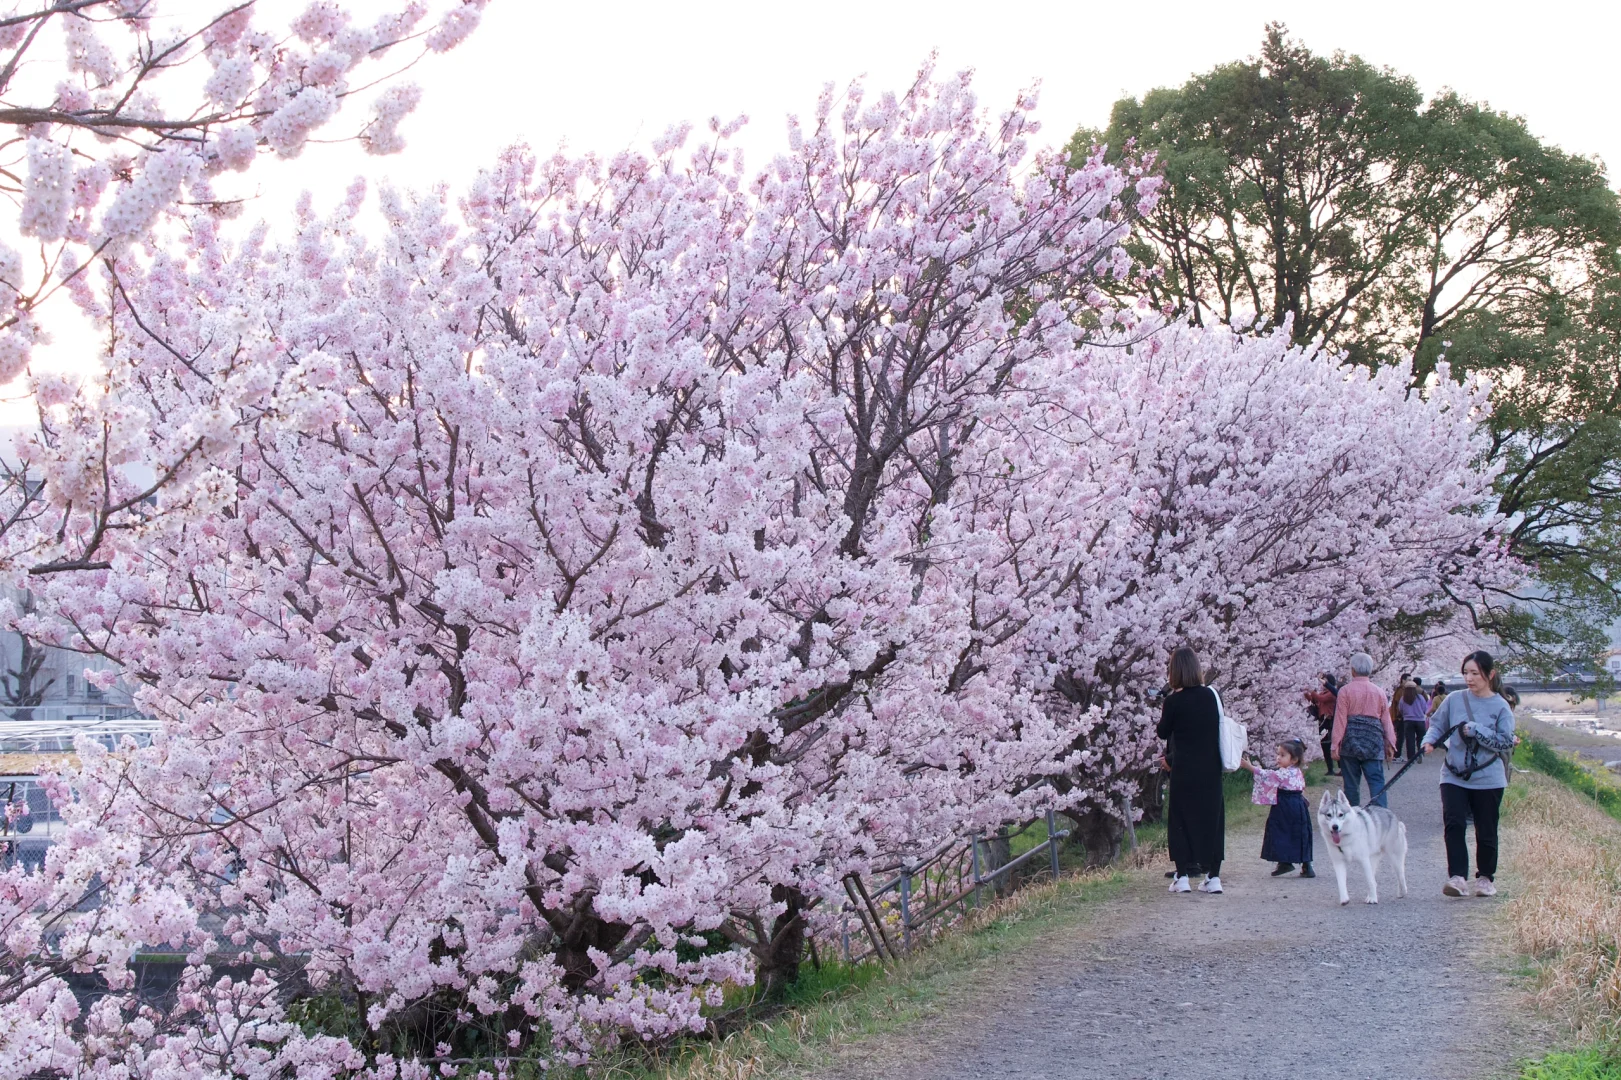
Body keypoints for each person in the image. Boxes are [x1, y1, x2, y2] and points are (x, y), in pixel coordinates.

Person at [1423, 650, 1517, 897]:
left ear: (1490, 674)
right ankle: (1457, 878)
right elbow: (1437, 725)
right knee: (1453, 823)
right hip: (1454, 774)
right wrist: (1429, 742)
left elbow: (1506, 742)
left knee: (1486, 828)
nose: (1469, 678)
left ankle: (1485, 878)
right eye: (1466, 673)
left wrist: (1477, 731)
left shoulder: (1501, 706)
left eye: (1475, 673)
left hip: (1488, 778)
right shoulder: (1454, 699)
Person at [1156, 646, 1225, 895]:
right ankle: (1213, 877)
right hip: (1210, 768)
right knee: (1213, 819)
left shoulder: (1173, 701)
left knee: (1181, 820)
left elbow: (1163, 731)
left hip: (1183, 768)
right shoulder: (1211, 696)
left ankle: (1182, 876)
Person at [1240, 738, 1314, 878]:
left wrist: (1250, 767)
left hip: (1285, 805)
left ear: (1294, 759)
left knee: (1281, 831)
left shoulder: (1284, 773)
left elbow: (1268, 775)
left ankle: (1284, 862)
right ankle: (1306, 865)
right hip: (1299, 805)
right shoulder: (1296, 771)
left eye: (1282, 755)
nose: (1278, 758)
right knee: (1301, 833)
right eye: (1278, 754)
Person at [1332, 652, 1398, 807]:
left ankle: (1352, 817)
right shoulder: (1379, 692)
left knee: (1351, 784)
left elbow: (1340, 720)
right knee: (1376, 782)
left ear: (1353, 670)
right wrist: (1390, 743)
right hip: (1373, 741)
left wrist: (1335, 744)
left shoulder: (1345, 691)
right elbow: (1386, 720)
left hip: (1350, 741)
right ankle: (1381, 816)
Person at [1306, 673, 1339, 776]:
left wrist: (1311, 691)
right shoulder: (1324, 692)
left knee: (1330, 743)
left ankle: (1338, 767)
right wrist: (1306, 693)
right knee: (1324, 744)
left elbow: (1321, 699)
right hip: (1322, 720)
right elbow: (1315, 699)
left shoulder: (1332, 693)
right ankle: (1330, 769)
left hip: (1329, 720)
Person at [1396, 683, 1429, 763]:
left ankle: (1411, 758)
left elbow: (1400, 710)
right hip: (1420, 720)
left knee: (1410, 740)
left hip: (1408, 721)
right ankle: (1420, 753)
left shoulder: (1403, 699)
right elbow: (1425, 709)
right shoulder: (1420, 698)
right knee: (1421, 738)